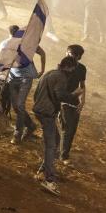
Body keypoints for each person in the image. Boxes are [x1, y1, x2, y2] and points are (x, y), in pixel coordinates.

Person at [31, 56, 80, 195]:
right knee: (51, 146)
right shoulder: (61, 78)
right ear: (69, 67)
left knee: (56, 141)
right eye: (72, 69)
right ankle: (49, 180)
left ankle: (42, 171)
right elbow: (59, 95)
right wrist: (74, 95)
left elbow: (36, 94)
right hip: (47, 113)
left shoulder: (49, 73)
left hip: (40, 110)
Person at [2, 26, 44, 143]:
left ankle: (17, 134)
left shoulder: (28, 44)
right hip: (12, 77)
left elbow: (42, 53)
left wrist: (42, 69)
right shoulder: (6, 44)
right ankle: (30, 125)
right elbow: (0, 60)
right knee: (16, 106)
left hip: (26, 78)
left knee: (20, 106)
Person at [58, 45, 87, 162]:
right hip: (63, 100)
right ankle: (63, 155)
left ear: (78, 57)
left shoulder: (82, 69)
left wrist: (83, 100)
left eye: (71, 54)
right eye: (68, 53)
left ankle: (63, 152)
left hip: (74, 101)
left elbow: (82, 85)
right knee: (66, 128)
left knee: (72, 130)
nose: (68, 55)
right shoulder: (62, 65)